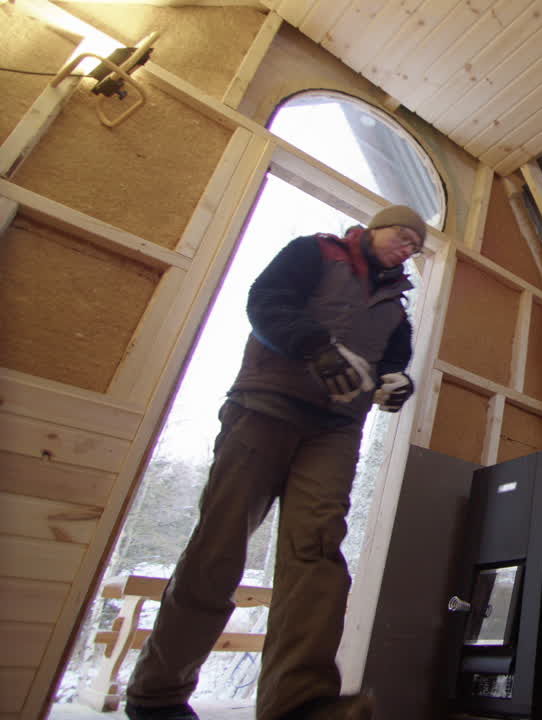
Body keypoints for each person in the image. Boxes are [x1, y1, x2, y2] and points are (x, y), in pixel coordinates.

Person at [123, 206, 428, 720]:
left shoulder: (397, 310)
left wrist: (397, 384)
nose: (407, 249)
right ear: (375, 227)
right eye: (402, 236)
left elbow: (393, 366)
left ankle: (298, 703)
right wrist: (316, 347)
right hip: (265, 407)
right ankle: (158, 694)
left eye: (415, 247)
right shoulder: (315, 252)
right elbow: (265, 303)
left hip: (334, 430)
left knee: (317, 551)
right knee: (219, 544)